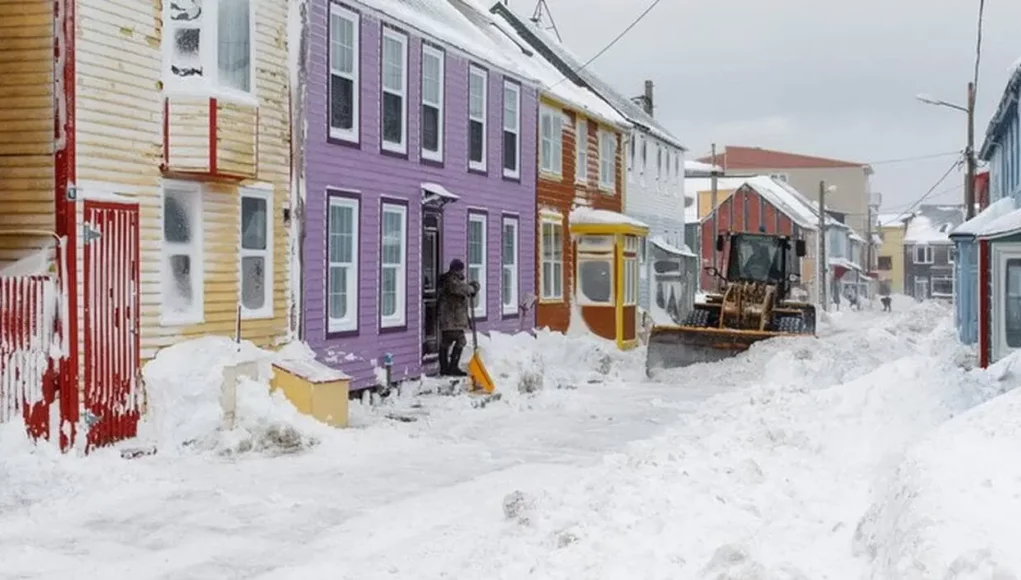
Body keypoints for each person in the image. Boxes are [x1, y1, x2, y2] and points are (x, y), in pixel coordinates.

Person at [437, 259, 479, 377]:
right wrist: (473, 288)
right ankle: (453, 367)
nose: (462, 272)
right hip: (451, 318)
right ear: (457, 270)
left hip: (449, 318)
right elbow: (461, 289)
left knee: (446, 342)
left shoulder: (450, 280)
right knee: (461, 340)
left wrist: (468, 320)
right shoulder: (451, 281)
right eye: (461, 270)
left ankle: (445, 368)